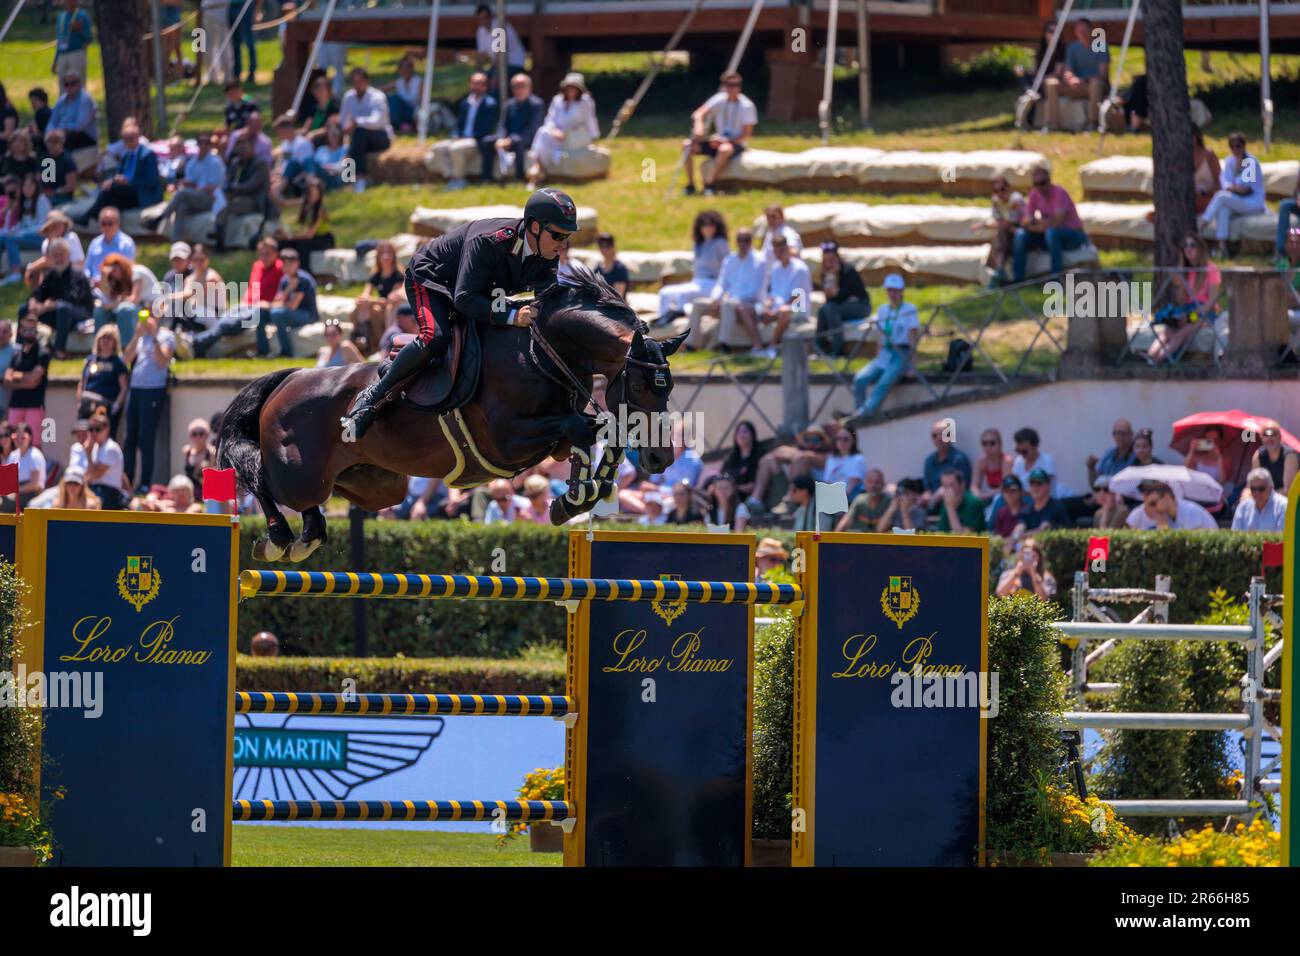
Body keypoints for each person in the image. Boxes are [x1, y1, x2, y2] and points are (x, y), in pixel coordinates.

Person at [342, 187, 576, 437]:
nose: (563, 245)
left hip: (475, 289)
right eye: (558, 235)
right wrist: (510, 316)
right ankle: (372, 396)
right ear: (535, 227)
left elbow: (547, 301)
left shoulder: (547, 252)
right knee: (436, 336)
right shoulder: (490, 241)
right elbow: (464, 300)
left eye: (567, 237)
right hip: (430, 278)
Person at [848, 273, 919, 420]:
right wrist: (878, 358)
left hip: (902, 352)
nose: (893, 294)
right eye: (890, 290)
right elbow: (881, 336)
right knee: (859, 379)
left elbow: (912, 337)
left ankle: (864, 414)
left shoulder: (909, 309)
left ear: (902, 291)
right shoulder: (883, 310)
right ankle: (859, 411)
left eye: (896, 290)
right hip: (886, 352)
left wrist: (913, 365)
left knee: (884, 383)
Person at [122, 306, 176, 493]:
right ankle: (127, 481)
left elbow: (163, 361)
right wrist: (137, 335)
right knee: (130, 439)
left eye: (153, 315)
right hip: (135, 390)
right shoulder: (140, 337)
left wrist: (153, 337)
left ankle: (145, 483)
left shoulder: (166, 336)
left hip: (153, 391)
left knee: (147, 439)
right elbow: (126, 359)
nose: (149, 319)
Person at [686, 226, 763, 350]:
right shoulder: (730, 260)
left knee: (727, 304)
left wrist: (730, 299)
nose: (743, 243)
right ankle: (691, 344)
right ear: (736, 241)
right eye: (740, 240)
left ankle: (724, 344)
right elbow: (721, 284)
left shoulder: (759, 261)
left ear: (751, 241)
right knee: (698, 305)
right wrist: (716, 298)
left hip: (748, 303)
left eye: (746, 240)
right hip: (728, 302)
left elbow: (757, 290)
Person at [681, 71, 756, 196]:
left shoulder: (746, 106)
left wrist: (726, 141)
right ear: (724, 86)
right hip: (717, 141)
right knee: (687, 145)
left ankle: (709, 185)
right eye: (729, 85)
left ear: (740, 87)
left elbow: (746, 135)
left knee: (724, 149)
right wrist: (698, 126)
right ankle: (690, 185)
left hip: (735, 144)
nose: (732, 88)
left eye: (736, 85)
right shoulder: (719, 99)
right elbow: (698, 113)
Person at [1150, 232, 1219, 365]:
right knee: (1166, 332)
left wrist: (1189, 316)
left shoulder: (1211, 269)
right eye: (1185, 246)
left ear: (1200, 248)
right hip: (1187, 308)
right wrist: (1178, 285)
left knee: (1181, 333)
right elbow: (1181, 301)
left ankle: (1157, 360)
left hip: (1205, 312)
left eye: (1192, 245)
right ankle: (1150, 357)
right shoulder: (1185, 270)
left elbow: (1211, 302)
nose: (1188, 249)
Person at [79, 118, 162, 223]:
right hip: (126, 192)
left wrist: (129, 182)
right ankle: (101, 222)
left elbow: (151, 181)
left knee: (112, 191)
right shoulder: (126, 155)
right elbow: (118, 174)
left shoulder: (147, 155)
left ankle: (90, 215)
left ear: (137, 137)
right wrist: (112, 181)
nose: (128, 142)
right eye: (125, 139)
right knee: (111, 198)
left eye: (130, 139)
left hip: (142, 194)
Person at [1012, 167, 1087, 283]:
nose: (1040, 187)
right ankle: (1018, 280)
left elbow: (1057, 223)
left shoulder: (1059, 193)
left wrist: (1036, 223)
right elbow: (1025, 222)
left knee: (1051, 233)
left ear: (1049, 181)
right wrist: (1038, 224)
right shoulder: (1034, 194)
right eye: (1036, 184)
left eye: (1043, 183)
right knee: (1020, 235)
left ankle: (1055, 278)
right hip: (1049, 235)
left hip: (1074, 237)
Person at [527, 73, 600, 189]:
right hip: (557, 136)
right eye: (569, 87)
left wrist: (594, 137)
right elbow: (550, 119)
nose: (571, 90)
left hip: (576, 136)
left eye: (574, 88)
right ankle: (538, 167)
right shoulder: (557, 100)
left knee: (543, 135)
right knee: (543, 132)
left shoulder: (586, 101)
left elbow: (590, 120)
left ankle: (537, 169)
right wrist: (554, 131)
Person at [657, 209, 729, 323]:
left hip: (713, 283)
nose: (707, 228)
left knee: (684, 294)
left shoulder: (721, 243)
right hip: (697, 282)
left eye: (711, 224)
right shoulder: (698, 244)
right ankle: (661, 323)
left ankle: (679, 325)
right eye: (704, 225)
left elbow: (728, 267)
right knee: (664, 292)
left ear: (716, 226)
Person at [1201, 132, 1265, 258]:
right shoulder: (1229, 162)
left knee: (1221, 196)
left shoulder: (1250, 162)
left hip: (1253, 203)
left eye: (1238, 146)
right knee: (1223, 208)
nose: (1235, 149)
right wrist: (1233, 187)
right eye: (1232, 146)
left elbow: (1245, 190)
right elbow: (1226, 183)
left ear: (1244, 146)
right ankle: (1222, 248)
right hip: (1238, 201)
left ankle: (1202, 226)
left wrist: (1232, 187)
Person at [746, 233, 811, 358]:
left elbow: (796, 297)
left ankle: (772, 347)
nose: (779, 254)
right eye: (776, 251)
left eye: (781, 250)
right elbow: (773, 295)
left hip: (799, 308)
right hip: (778, 309)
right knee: (750, 309)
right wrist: (767, 308)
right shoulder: (775, 268)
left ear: (787, 249)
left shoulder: (800, 269)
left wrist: (775, 311)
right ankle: (757, 346)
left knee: (784, 311)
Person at [26, 238, 92, 358]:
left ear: (69, 255)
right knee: (24, 309)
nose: (59, 258)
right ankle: (22, 347)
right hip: (57, 314)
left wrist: (48, 306)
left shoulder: (78, 275)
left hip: (80, 313)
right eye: (55, 255)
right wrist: (33, 302)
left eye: (62, 255)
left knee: (63, 308)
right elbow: (39, 292)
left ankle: (59, 350)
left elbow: (73, 298)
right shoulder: (51, 274)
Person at [1043, 17, 1108, 131]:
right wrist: (1071, 78)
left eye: (1084, 30)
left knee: (1096, 84)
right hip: (1074, 86)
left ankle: (1093, 123)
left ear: (1091, 31)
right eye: (1078, 31)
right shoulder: (1072, 47)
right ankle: (1052, 125)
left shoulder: (1100, 46)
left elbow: (1103, 74)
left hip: (1091, 85)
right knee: (1051, 84)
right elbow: (1068, 70)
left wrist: (1084, 80)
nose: (1081, 33)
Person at [256, 247, 318, 358]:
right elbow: (277, 300)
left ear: (297, 263)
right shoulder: (285, 280)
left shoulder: (303, 280)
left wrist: (270, 306)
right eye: (284, 264)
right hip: (288, 314)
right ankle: (263, 352)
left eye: (290, 264)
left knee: (277, 313)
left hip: (307, 315)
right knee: (260, 314)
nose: (287, 267)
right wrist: (288, 289)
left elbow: (293, 306)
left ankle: (286, 352)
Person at [339, 68, 392, 193]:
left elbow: (377, 120)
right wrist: (346, 127)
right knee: (355, 142)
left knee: (358, 134)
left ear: (366, 82)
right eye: (354, 82)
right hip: (359, 139)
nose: (357, 85)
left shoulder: (377, 97)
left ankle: (356, 178)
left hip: (381, 137)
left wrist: (356, 122)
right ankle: (352, 179)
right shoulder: (348, 97)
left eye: (359, 81)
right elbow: (343, 120)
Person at [213, 133, 270, 250]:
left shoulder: (260, 164)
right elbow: (228, 180)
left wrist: (234, 187)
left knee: (227, 208)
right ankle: (217, 233)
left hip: (254, 201)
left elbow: (252, 185)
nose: (242, 151)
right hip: (236, 197)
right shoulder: (236, 163)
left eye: (245, 147)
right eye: (239, 148)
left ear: (252, 148)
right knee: (220, 202)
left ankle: (219, 237)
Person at [815, 240, 870, 355]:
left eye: (831, 260)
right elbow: (829, 298)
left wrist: (833, 277)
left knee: (831, 309)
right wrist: (830, 277)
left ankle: (837, 350)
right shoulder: (825, 274)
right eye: (826, 261)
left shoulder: (848, 271)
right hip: (842, 305)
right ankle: (820, 350)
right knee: (823, 310)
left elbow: (836, 295)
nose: (828, 264)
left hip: (861, 306)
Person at [491, 74, 545, 184]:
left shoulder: (537, 104)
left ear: (529, 87)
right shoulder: (509, 104)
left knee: (517, 141)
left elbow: (533, 128)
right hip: (509, 138)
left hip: (528, 139)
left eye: (522, 86)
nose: (518, 89)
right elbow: (502, 125)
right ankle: (487, 177)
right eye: (516, 86)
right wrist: (500, 138)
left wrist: (510, 140)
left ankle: (519, 177)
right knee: (488, 141)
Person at [4, 315, 51, 440]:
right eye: (27, 330)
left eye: (33, 330)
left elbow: (35, 379)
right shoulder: (16, 354)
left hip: (34, 405)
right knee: (11, 442)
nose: (30, 333)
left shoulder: (43, 353)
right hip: (15, 405)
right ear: (20, 331)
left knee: (34, 443)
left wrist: (16, 377)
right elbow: (7, 379)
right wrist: (27, 380)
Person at [351, 239, 404, 349]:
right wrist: (362, 300)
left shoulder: (398, 276)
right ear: (378, 257)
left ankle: (380, 345)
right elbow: (366, 293)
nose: (385, 257)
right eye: (382, 253)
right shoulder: (376, 275)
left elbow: (391, 300)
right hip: (381, 306)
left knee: (374, 311)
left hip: (391, 308)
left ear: (393, 256)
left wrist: (370, 301)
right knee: (359, 308)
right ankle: (361, 339)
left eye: (388, 253)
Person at [78, 325, 128, 436]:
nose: (105, 340)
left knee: (103, 436)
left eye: (109, 338)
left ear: (115, 342)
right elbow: (82, 383)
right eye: (103, 337)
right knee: (84, 434)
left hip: (107, 406)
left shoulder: (118, 363)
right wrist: (79, 401)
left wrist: (117, 404)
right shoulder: (91, 360)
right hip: (87, 404)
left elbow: (124, 387)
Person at [1, 174, 50, 284]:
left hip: (41, 237)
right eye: (25, 186)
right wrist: (13, 230)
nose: (27, 189)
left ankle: (16, 273)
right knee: (2, 237)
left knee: (11, 239)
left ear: (36, 187)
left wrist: (20, 233)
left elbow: (43, 225)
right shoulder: (25, 202)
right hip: (26, 235)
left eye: (30, 186)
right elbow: (22, 224)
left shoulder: (41, 200)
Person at [978, 176, 1025, 287]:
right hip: (1007, 232)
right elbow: (1000, 221)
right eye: (996, 190)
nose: (1000, 193)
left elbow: (1010, 221)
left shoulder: (1016, 199)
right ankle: (998, 271)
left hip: (1021, 231)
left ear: (1009, 188)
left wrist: (984, 225)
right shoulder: (996, 201)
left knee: (1000, 236)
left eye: (1002, 189)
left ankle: (997, 273)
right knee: (1000, 235)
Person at [273, 174, 333, 260]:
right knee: (283, 244)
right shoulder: (305, 203)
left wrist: (290, 236)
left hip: (322, 240)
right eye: (311, 194)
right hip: (312, 238)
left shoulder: (320, 210)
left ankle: (303, 271)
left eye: (316, 194)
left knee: (301, 246)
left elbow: (309, 235)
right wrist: (273, 193)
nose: (313, 197)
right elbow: (283, 203)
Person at [1126, 480, 1217, 530]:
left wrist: (1164, 531)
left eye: (1153, 503)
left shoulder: (1189, 512)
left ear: (1167, 498)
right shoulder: (1167, 515)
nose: (1151, 508)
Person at [92, 253, 138, 347]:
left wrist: (113, 305)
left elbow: (133, 299)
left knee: (124, 309)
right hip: (117, 311)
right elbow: (106, 298)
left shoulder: (135, 274)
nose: (113, 273)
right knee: (99, 311)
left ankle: (126, 348)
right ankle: (98, 348)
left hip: (140, 310)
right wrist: (104, 277)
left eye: (115, 269)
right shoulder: (113, 281)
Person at [85, 410, 126, 509]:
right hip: (96, 489)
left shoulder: (111, 448)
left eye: (98, 429)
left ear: (106, 429)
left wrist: (88, 453)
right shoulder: (95, 447)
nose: (93, 433)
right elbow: (88, 476)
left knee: (89, 505)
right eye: (91, 429)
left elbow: (95, 475)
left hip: (109, 493)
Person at [84, 206, 136, 284]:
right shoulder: (95, 243)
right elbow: (87, 268)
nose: (107, 227)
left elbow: (127, 270)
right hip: (93, 285)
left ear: (118, 224)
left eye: (110, 224)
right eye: (104, 224)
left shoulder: (126, 244)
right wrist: (89, 279)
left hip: (116, 285)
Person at [46, 72, 97, 150]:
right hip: (61, 133)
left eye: (72, 83)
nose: (69, 87)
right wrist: (50, 132)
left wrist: (61, 130)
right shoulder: (61, 101)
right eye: (66, 84)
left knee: (66, 138)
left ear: (79, 84)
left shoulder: (85, 100)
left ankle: (64, 160)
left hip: (83, 136)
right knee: (39, 140)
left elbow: (80, 125)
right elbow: (52, 121)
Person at [271, 113, 316, 200]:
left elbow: (306, 166)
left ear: (288, 129)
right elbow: (285, 161)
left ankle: (278, 193)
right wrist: (277, 172)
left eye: (280, 132)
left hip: (296, 177)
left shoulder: (302, 144)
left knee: (293, 164)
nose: (279, 135)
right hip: (285, 176)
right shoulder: (285, 144)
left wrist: (282, 176)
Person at [474, 4, 526, 78]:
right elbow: (481, 55)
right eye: (480, 18)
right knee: (481, 80)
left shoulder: (500, 26)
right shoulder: (480, 30)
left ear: (490, 17)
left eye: (484, 17)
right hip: (498, 66)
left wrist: (495, 75)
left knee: (494, 80)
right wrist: (478, 74)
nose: (483, 21)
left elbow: (501, 55)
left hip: (515, 64)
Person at [1250, 420, 1298, 497]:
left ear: (1280, 437)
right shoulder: (1258, 454)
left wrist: (1263, 496)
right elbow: (1253, 483)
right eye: (1266, 434)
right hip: (1264, 498)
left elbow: (1288, 490)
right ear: (1261, 437)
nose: (1270, 438)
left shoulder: (1290, 455)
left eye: (1273, 434)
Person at [1231, 467, 1288, 532]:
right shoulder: (1243, 507)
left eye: (1261, 489)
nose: (1257, 493)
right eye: (1253, 489)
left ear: (1271, 487)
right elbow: (1235, 536)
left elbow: (1281, 537)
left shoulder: (1283, 505)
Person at [53, 0, 94, 86]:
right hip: (62, 55)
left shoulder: (82, 16)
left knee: (78, 84)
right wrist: (55, 60)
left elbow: (89, 38)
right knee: (63, 84)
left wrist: (79, 29)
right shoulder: (61, 16)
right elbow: (60, 39)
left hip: (77, 53)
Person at [6, 423, 46, 508]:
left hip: (32, 494)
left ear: (30, 438)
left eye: (23, 438)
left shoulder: (35, 455)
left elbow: (35, 485)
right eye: (16, 437)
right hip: (16, 493)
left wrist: (16, 491)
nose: (19, 440)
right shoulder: (13, 455)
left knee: (8, 506)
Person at [1087, 418, 1136, 487]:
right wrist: (1091, 468)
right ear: (1113, 435)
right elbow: (1096, 485)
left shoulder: (1138, 455)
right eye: (1117, 433)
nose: (1120, 437)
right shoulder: (1109, 454)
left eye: (1124, 433)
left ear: (1131, 435)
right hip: (1105, 495)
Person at [37, 129, 79, 206]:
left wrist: (55, 192)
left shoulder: (68, 160)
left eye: (56, 141)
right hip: (44, 195)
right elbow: (38, 179)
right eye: (49, 141)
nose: (52, 144)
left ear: (62, 143)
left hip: (62, 197)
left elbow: (71, 185)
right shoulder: (43, 158)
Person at [936, 469, 986, 533]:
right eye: (945, 486)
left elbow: (963, 538)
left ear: (962, 485)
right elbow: (942, 532)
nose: (949, 490)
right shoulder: (946, 503)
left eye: (952, 485)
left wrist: (950, 507)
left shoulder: (974, 503)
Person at [722, 420, 762, 499]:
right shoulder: (731, 458)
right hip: (726, 495)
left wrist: (734, 488)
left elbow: (754, 485)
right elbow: (722, 476)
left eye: (745, 432)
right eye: (739, 432)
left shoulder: (758, 456)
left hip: (746, 498)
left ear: (752, 435)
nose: (741, 435)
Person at [383, 54, 423, 134]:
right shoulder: (399, 82)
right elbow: (380, 90)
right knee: (388, 98)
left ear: (411, 68)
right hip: (400, 112)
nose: (405, 70)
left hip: (414, 112)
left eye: (407, 67)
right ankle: (396, 124)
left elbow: (423, 101)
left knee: (395, 98)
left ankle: (397, 125)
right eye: (403, 68)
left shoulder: (419, 82)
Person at [823, 427, 866, 499]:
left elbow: (852, 486)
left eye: (846, 439)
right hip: (833, 499)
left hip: (850, 499)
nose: (841, 442)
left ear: (853, 441)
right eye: (838, 438)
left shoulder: (858, 459)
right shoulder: (831, 460)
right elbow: (827, 483)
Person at [1011, 428, 1056, 493]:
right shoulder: (1019, 461)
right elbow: (1014, 484)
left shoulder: (1047, 461)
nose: (1021, 454)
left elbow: (1043, 491)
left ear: (1035, 447)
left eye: (1024, 451)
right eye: (1018, 451)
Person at [974, 428, 1013, 501]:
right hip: (989, 496)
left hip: (1005, 497)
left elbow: (1004, 487)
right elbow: (974, 486)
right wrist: (977, 495)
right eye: (984, 443)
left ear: (1000, 444)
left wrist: (983, 496)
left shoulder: (1006, 461)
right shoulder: (981, 461)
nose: (988, 447)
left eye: (992, 443)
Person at [299, 74, 340, 144]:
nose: (319, 92)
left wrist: (313, 134)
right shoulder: (314, 108)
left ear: (329, 91)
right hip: (311, 138)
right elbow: (306, 128)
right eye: (316, 89)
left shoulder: (334, 106)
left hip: (327, 139)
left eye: (322, 89)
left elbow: (330, 128)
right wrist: (294, 134)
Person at [1192, 127, 1221, 217]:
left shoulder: (1209, 155)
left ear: (1197, 137)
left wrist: (1203, 193)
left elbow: (1220, 185)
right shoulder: (1180, 156)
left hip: (1208, 197)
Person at [312, 117, 348, 191]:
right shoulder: (320, 149)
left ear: (341, 134)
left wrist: (325, 168)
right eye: (331, 134)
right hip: (318, 176)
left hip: (334, 179)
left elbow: (341, 168)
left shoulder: (345, 149)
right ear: (327, 135)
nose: (334, 136)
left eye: (336, 134)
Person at [179, 418, 216, 488]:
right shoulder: (187, 452)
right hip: (190, 494)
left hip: (206, 492)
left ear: (207, 435)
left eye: (201, 433)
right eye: (194, 434)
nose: (198, 436)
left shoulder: (212, 452)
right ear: (190, 436)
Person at [990, 474, 1028, 543]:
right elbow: (997, 536)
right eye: (1006, 490)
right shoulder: (1001, 512)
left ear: (1020, 492)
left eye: (1013, 490)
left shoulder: (1027, 511)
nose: (1009, 494)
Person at [228, 0, 258, 85]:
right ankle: (236, 73)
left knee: (249, 42)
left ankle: (252, 73)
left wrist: (256, 11)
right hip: (232, 7)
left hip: (246, 6)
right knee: (235, 44)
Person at [593, 233, 629, 297]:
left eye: (607, 245)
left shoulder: (620, 269)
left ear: (613, 247)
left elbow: (618, 296)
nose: (604, 249)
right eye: (601, 245)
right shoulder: (597, 269)